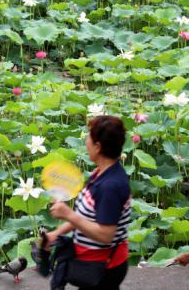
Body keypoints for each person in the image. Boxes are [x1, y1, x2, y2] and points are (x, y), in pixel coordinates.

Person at [46, 115, 131, 290]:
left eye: (89, 137)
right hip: (93, 262)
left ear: (98, 147)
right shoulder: (101, 173)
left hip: (104, 268)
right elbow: (88, 216)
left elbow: (105, 235)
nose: (86, 141)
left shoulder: (110, 187)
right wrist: (56, 234)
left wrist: (67, 214)